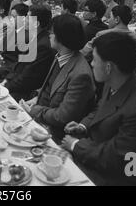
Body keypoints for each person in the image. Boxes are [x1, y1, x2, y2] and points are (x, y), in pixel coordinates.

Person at [62, 32, 136, 185]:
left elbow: (117, 158)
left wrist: (75, 144)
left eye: (95, 60)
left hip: (120, 174)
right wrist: (83, 126)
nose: (91, 64)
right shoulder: (116, 81)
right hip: (99, 151)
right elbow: (102, 109)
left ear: (108, 67)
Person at [20, 14, 95, 142]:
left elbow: (63, 116)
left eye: (52, 32)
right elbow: (50, 86)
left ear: (62, 38)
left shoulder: (81, 75)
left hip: (55, 132)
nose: (49, 35)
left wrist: (34, 110)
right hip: (42, 115)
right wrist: (36, 98)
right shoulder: (60, 56)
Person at [3, 6, 55, 101]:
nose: (24, 20)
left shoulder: (43, 46)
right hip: (17, 82)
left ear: (36, 23)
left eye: (27, 17)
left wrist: (6, 85)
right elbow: (19, 65)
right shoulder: (35, 36)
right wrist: (7, 79)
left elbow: (28, 78)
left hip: (26, 92)